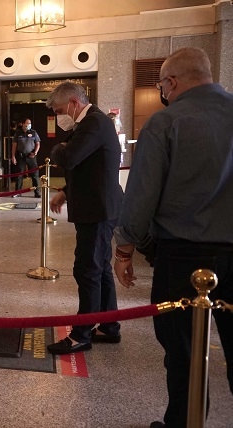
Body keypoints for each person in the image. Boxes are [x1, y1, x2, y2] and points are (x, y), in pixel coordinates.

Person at [113, 47, 233, 428]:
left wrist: (124, 248)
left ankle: (185, 422)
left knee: (183, 352)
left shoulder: (165, 122)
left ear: (171, 82)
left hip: (184, 256)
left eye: (162, 83)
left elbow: (142, 194)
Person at [45, 82, 124, 355]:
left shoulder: (93, 123)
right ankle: (108, 326)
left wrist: (56, 149)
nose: (58, 116)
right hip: (98, 206)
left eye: (58, 110)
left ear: (73, 103)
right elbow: (91, 168)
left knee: (87, 269)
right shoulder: (93, 123)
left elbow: (68, 158)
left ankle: (82, 334)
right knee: (100, 268)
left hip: (98, 210)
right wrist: (65, 192)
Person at [11, 118, 41, 198]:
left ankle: (37, 192)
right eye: (27, 123)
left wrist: (35, 152)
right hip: (21, 156)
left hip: (31, 156)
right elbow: (14, 146)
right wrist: (13, 156)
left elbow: (38, 144)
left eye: (30, 123)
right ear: (23, 124)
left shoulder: (33, 133)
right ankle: (18, 192)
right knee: (19, 175)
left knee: (35, 174)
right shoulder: (18, 133)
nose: (29, 125)